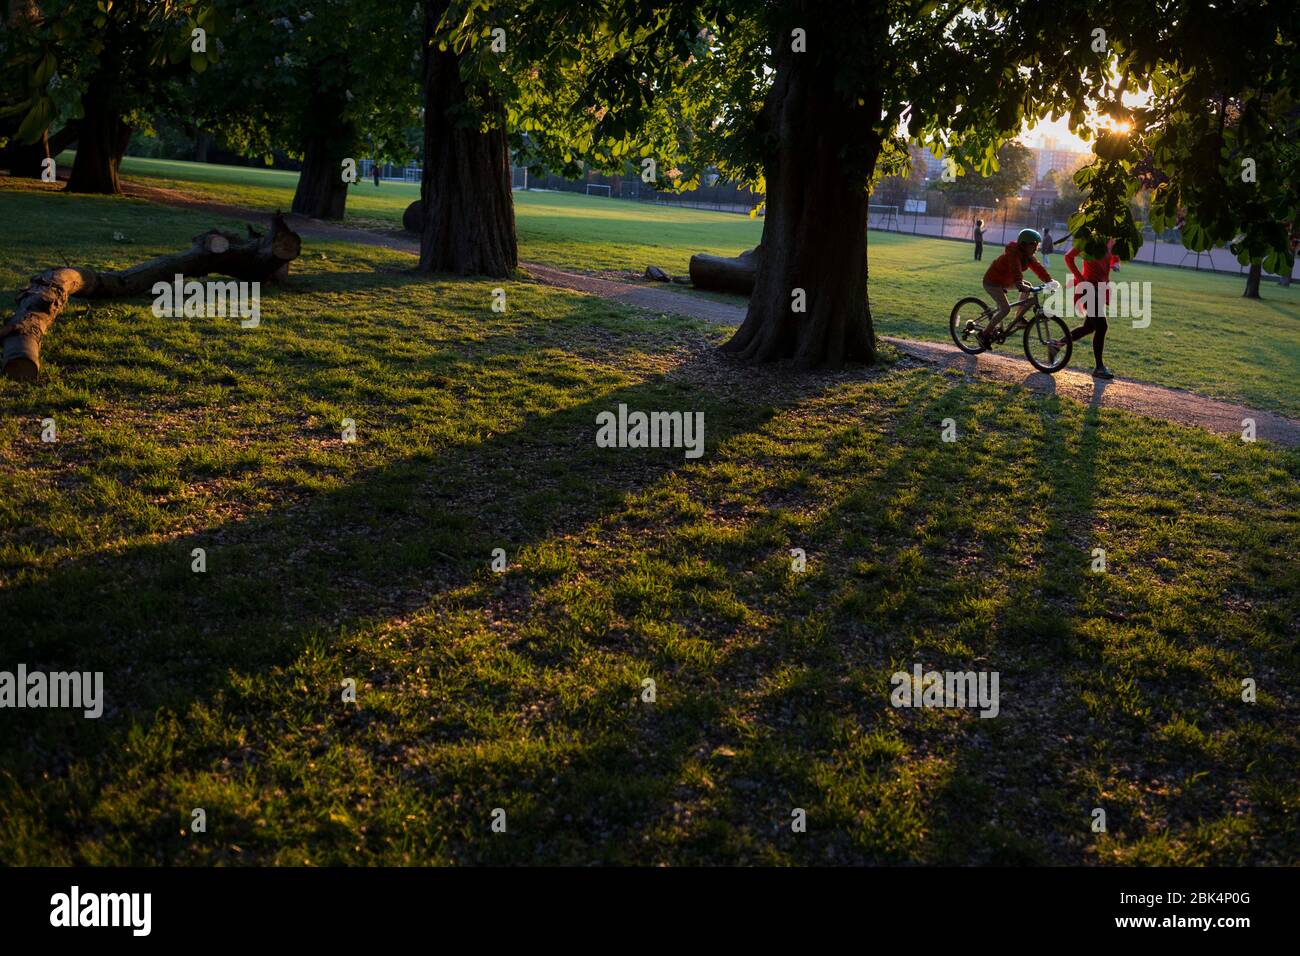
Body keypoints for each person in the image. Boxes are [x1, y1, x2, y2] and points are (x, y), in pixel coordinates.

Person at [980, 228, 1053, 346]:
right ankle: (984, 334)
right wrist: (1019, 283)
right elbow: (1015, 268)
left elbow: (1038, 268)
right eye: (1033, 244)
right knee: (1005, 309)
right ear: (1024, 244)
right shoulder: (1013, 253)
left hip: (1005, 281)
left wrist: (1049, 281)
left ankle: (1018, 318)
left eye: (1037, 245)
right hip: (992, 281)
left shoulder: (1028, 255)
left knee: (1028, 285)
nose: (1036, 247)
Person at [1061, 239, 1121, 379]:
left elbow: (1113, 255)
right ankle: (1099, 368)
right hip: (1088, 288)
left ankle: (1057, 345)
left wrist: (1115, 263)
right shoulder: (1089, 239)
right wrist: (1080, 278)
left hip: (1100, 289)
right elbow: (1068, 257)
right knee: (1102, 326)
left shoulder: (1110, 240)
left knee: (1089, 327)